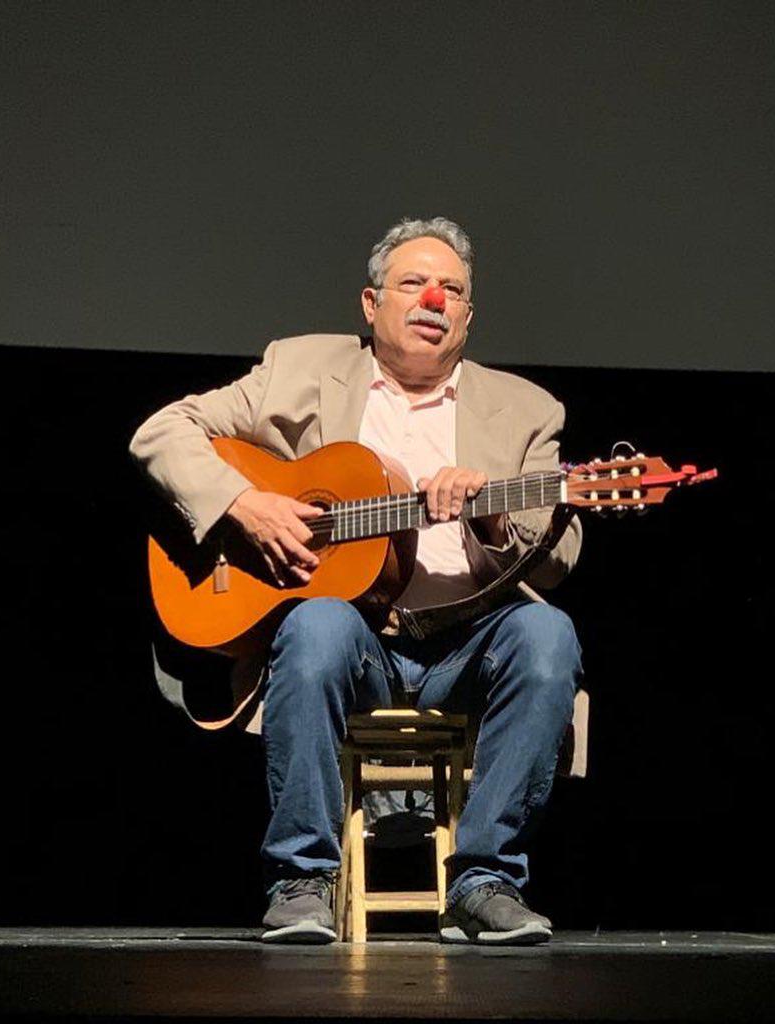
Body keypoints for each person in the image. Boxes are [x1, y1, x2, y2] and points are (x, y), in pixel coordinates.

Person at [130, 217, 583, 945]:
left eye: (453, 290)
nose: (433, 298)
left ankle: (484, 882)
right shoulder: (300, 369)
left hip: (468, 645)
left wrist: (492, 523)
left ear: (468, 317)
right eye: (413, 283)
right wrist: (245, 504)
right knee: (315, 622)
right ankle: (304, 879)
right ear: (371, 306)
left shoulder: (527, 410)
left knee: (548, 636)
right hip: (353, 639)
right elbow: (161, 432)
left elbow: (561, 556)